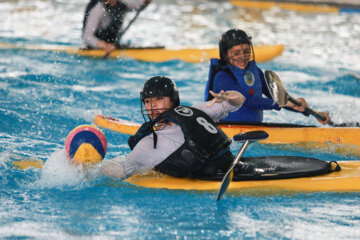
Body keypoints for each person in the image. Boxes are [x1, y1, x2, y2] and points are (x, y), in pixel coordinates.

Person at [101, 76, 245, 180]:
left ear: (173, 99)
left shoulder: (195, 111)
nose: (153, 106)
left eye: (159, 99)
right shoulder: (149, 144)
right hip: (210, 175)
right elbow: (121, 171)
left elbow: (239, 101)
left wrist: (226, 97)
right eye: (147, 101)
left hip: (229, 164)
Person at [204, 28, 331, 124]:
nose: (243, 56)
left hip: (253, 130)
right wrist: (282, 104)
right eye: (236, 53)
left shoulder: (255, 71)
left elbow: (277, 98)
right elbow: (248, 101)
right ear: (225, 55)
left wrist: (306, 110)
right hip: (227, 131)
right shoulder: (222, 77)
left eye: (246, 51)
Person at [82, 0, 151, 53]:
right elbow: (87, 37)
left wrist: (145, 2)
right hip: (96, 48)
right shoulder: (97, 9)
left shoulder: (121, 4)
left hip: (113, 45)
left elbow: (137, 6)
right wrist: (105, 46)